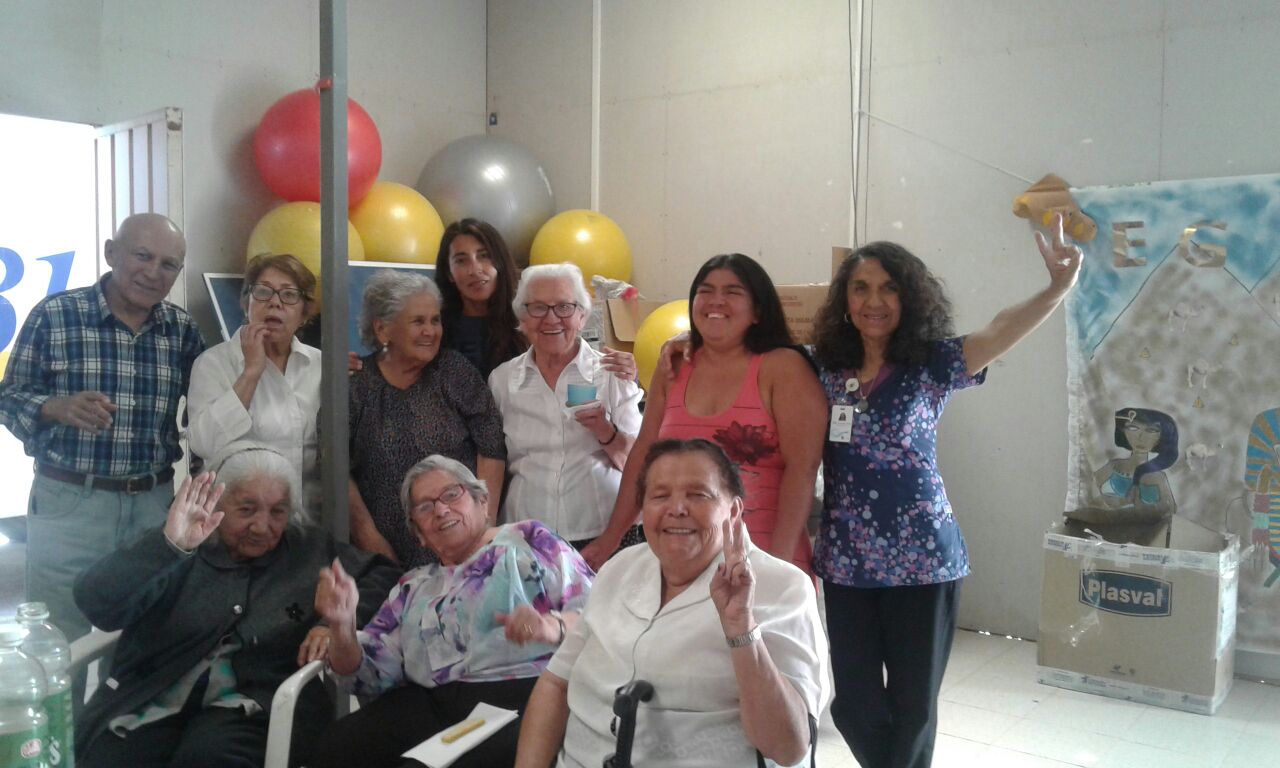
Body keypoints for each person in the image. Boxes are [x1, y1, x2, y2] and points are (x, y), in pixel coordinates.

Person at [812, 215, 1082, 768]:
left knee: (913, 708)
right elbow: (755, 361)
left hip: (924, 561)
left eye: (889, 287)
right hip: (847, 562)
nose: (874, 301)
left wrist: (1056, 288)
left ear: (909, 298)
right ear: (845, 300)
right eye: (861, 287)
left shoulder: (932, 364)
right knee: (855, 707)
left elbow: (1001, 329)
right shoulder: (821, 367)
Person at [74, 445, 400, 768]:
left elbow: (383, 574)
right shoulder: (180, 541)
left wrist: (333, 624)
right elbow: (96, 604)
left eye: (278, 512)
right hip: (156, 695)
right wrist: (168, 546)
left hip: (254, 703)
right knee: (111, 758)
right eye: (246, 510)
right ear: (216, 502)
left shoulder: (307, 548)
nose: (262, 526)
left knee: (210, 758)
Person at [515, 438, 829, 767]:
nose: (677, 509)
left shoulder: (781, 588)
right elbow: (556, 682)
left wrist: (742, 629)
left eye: (698, 495)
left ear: (734, 511)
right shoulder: (619, 568)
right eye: (660, 496)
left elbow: (788, 748)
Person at [0, 213, 205, 651]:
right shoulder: (55, 315)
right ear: (111, 252)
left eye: (168, 264)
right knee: (57, 640)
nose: (153, 272)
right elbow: (9, 396)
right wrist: (55, 407)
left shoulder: (182, 330)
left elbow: (210, 409)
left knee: (145, 637)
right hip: (70, 503)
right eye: (142, 256)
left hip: (153, 505)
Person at [310, 455, 594, 768]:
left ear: (482, 501)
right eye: (425, 507)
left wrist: (552, 626)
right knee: (335, 748)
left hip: (520, 695)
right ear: (418, 533)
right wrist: (342, 626)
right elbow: (368, 674)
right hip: (431, 702)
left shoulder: (530, 540)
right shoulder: (412, 587)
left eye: (451, 494)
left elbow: (594, 614)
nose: (441, 510)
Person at [583, 254, 827, 575]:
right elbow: (643, 455)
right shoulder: (674, 364)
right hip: (681, 562)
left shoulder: (784, 368)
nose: (716, 300)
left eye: (732, 292)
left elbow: (802, 471)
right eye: (705, 290)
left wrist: (777, 567)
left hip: (763, 554)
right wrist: (611, 537)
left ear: (758, 310)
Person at [349, 270, 507, 568]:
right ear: (382, 329)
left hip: (464, 545)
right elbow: (334, 465)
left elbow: (491, 447)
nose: (431, 331)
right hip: (383, 552)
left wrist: (483, 526)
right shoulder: (355, 386)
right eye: (418, 321)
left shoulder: (454, 371)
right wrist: (368, 537)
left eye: (435, 320)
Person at [489, 263, 642, 549]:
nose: (551, 319)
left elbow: (639, 463)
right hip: (526, 535)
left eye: (564, 307)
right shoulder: (502, 380)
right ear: (522, 318)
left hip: (602, 531)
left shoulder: (611, 374)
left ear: (582, 317)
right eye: (537, 308)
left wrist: (605, 431)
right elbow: (493, 461)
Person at [187, 253, 320, 506]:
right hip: (237, 514)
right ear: (246, 302)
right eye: (263, 292)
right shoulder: (213, 362)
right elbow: (204, 444)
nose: (275, 303)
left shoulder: (321, 365)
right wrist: (251, 373)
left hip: (309, 516)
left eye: (289, 295)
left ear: (304, 313)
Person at [434, 218, 528, 378]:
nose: (475, 270)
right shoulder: (437, 329)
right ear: (449, 273)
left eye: (484, 256)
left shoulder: (528, 320)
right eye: (461, 261)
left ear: (500, 262)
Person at [1091, 407, 1178, 517]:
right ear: (1123, 431)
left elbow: (1170, 510)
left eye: (1151, 430)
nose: (1141, 437)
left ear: (1161, 436)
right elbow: (1087, 486)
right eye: (1133, 428)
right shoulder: (1114, 466)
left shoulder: (1159, 478)